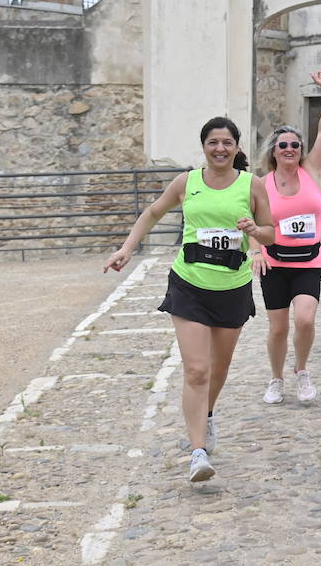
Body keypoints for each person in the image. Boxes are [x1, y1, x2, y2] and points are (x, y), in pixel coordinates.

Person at [103, 117, 273, 483]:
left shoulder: (251, 185)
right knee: (197, 369)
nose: (220, 149)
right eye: (213, 142)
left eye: (227, 142)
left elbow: (271, 233)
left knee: (219, 369)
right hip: (189, 284)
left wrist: (255, 231)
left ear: (237, 147)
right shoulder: (187, 182)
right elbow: (152, 213)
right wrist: (127, 248)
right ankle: (197, 451)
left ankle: (207, 413)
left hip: (231, 286)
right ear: (204, 147)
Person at [254, 72, 321, 405]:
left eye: (295, 145)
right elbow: (251, 223)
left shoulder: (312, 169)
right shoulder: (261, 183)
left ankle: (301, 370)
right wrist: (255, 251)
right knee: (277, 329)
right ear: (273, 151)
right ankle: (276, 378)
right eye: (283, 145)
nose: (290, 149)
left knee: (304, 319)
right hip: (275, 262)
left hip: (308, 261)